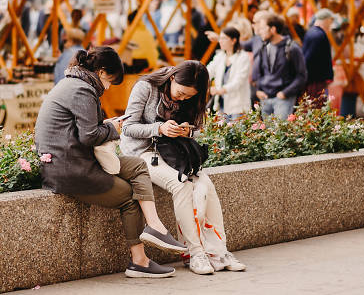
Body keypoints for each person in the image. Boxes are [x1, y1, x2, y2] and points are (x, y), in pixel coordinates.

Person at [35, 46, 185, 278]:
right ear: (102, 72)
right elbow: (89, 135)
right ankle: (140, 262)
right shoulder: (82, 90)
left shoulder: (72, 83)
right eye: (110, 81)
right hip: (72, 170)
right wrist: (112, 128)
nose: (107, 88)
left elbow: (83, 132)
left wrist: (107, 126)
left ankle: (155, 226)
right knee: (128, 197)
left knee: (137, 165)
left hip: (74, 161)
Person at [121, 61, 246, 275]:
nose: (182, 98)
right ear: (172, 78)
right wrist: (159, 128)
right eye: (180, 93)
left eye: (188, 96)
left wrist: (186, 132)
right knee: (182, 185)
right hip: (142, 153)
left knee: (206, 184)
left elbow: (198, 130)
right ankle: (194, 253)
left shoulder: (191, 97)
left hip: (174, 153)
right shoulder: (146, 87)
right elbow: (127, 126)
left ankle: (218, 252)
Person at [252, 14, 307, 120]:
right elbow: (258, 72)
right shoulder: (264, 47)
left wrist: (285, 93)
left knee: (280, 134)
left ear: (273, 29)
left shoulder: (292, 48)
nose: (260, 31)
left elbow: (302, 76)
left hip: (283, 99)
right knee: (268, 134)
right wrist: (258, 90)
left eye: (263, 28)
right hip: (265, 98)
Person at [207, 27, 252, 121]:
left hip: (238, 107)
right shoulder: (220, 56)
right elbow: (208, 71)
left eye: (224, 38)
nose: (220, 41)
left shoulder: (243, 57)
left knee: (236, 134)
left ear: (233, 40)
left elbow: (239, 81)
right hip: (221, 105)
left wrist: (219, 90)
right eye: (220, 38)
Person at [302, 9, 335, 107]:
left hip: (312, 79)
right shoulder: (318, 35)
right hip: (315, 80)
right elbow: (309, 59)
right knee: (316, 107)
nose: (331, 24)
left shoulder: (312, 32)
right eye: (331, 21)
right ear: (327, 20)